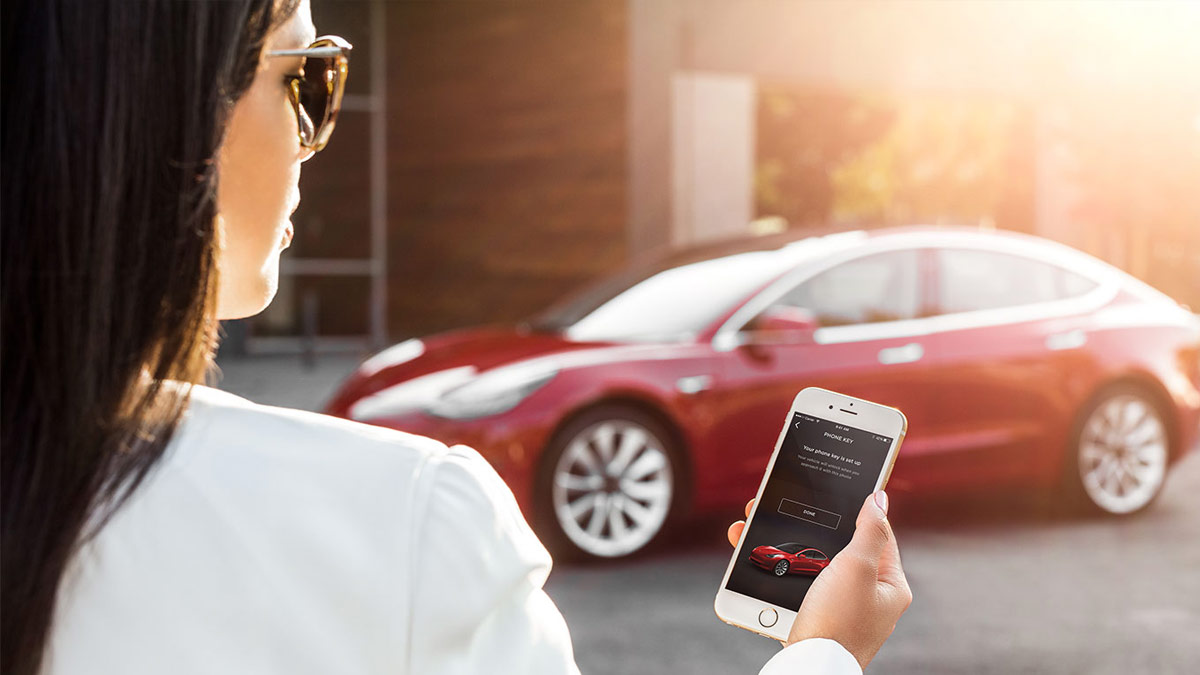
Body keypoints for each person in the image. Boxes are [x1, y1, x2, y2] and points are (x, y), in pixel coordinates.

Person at [0, 1, 911, 673]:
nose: (318, 139)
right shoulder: (408, 524)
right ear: (161, 107)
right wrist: (825, 651)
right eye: (306, 77)